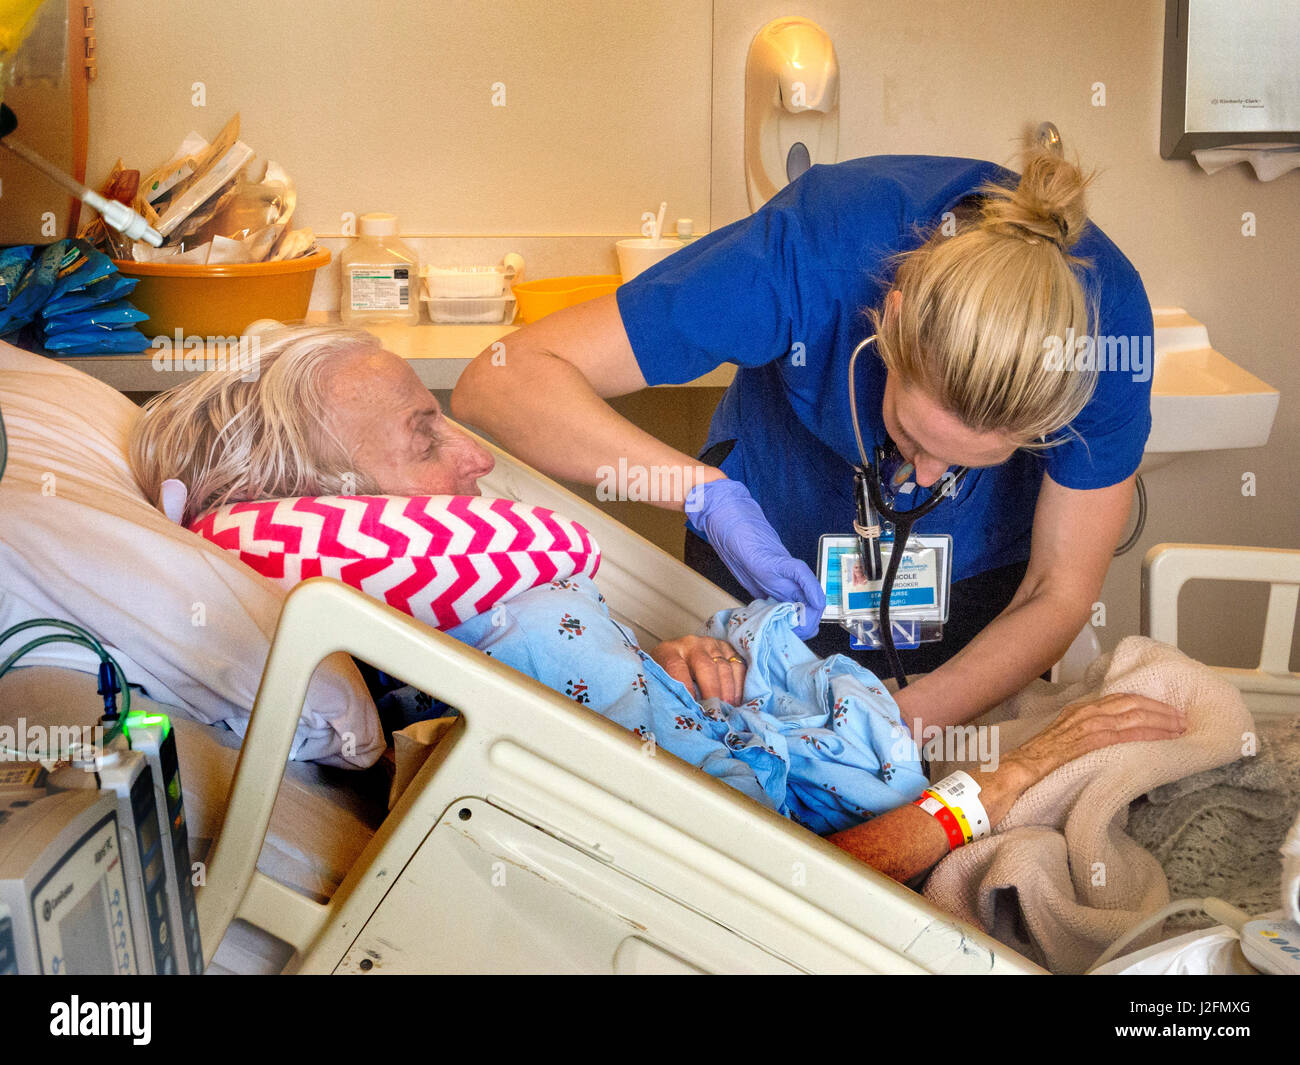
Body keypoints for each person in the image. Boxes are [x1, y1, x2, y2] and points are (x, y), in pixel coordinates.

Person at [128, 325, 1181, 884]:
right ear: (326, 508)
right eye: (422, 436)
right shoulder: (479, 651)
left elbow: (650, 752)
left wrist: (674, 677)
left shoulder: (471, 642)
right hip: (887, 852)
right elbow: (789, 872)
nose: (473, 455)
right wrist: (1004, 785)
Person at [450, 147, 1155, 743]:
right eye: (912, 435)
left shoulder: (1101, 328)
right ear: (892, 321)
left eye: (970, 462)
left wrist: (894, 724)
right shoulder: (815, 251)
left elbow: (1057, 593)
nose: (923, 475)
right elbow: (500, 385)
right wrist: (702, 492)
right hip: (770, 559)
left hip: (972, 585)